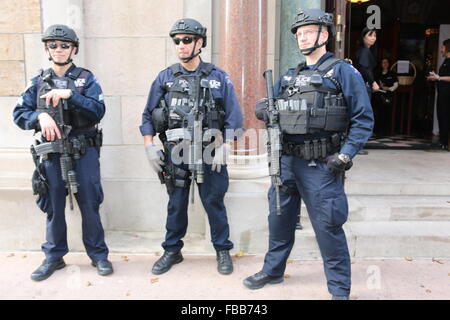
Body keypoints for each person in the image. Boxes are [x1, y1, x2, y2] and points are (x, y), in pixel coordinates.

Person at [244, 9, 374, 300]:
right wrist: (264, 108)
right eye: (298, 33)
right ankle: (273, 270)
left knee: (328, 227)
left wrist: (345, 155)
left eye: (307, 31)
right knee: (279, 220)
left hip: (322, 165)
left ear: (324, 35)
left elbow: (363, 119)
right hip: (288, 162)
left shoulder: (343, 72)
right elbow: (270, 106)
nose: (301, 37)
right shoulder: (291, 75)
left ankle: (339, 290)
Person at [140, 18, 243, 275]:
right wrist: (149, 145)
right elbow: (147, 115)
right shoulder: (165, 78)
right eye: (177, 41)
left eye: (187, 40)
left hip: (209, 151)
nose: (181, 45)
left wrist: (227, 146)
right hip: (176, 152)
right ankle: (172, 251)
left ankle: (222, 250)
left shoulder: (218, 77)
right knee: (176, 204)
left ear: (200, 43)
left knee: (214, 202)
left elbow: (234, 115)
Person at [13, 25, 113, 281]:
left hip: (83, 150)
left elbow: (98, 110)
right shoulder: (37, 82)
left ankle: (99, 255)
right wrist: (40, 115)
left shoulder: (86, 79)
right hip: (52, 154)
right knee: (54, 206)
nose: (59, 50)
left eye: (64, 45)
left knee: (90, 203)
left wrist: (71, 96)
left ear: (74, 49)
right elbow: (19, 114)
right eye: (53, 45)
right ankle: (54, 256)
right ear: (47, 49)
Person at [427, 39, 450, 150]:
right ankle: (442, 140)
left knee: (445, 117)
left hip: (447, 95)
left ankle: (445, 142)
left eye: (443, 47)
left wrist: (438, 77)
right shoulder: (446, 61)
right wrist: (435, 77)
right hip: (442, 94)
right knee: (441, 116)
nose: (441, 49)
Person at [375, 58, 398, 135]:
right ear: (381, 64)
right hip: (379, 96)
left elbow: (396, 85)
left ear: (388, 64)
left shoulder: (392, 74)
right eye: (383, 62)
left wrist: (388, 88)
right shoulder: (378, 74)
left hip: (389, 97)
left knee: (388, 114)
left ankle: (387, 131)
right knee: (379, 113)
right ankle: (378, 131)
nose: (385, 64)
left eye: (386, 62)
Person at [355, 27, 380, 98]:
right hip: (363, 86)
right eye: (370, 35)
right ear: (363, 37)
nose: (373, 38)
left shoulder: (364, 50)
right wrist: (373, 82)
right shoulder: (364, 51)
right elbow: (364, 68)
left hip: (361, 86)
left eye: (375, 36)